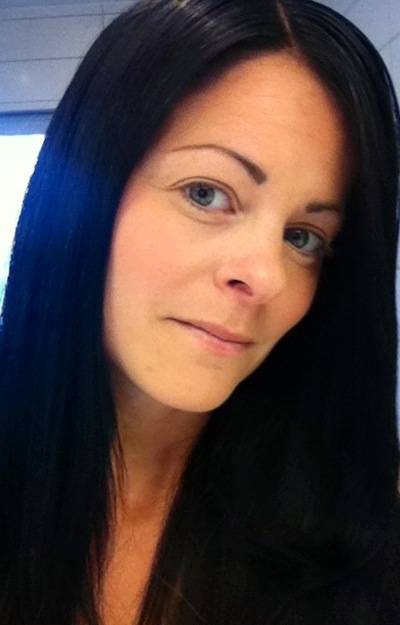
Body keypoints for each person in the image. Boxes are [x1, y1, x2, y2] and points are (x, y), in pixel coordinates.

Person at [0, 0, 399, 623]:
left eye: (303, 238)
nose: (266, 278)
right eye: (207, 194)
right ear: (85, 191)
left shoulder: (362, 533)